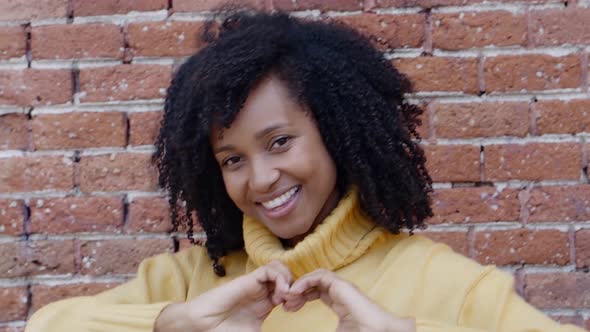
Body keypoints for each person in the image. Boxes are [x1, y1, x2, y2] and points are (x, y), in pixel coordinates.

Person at [25, 9, 585, 332]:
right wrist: (174, 324)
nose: (261, 177)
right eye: (233, 159)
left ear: (337, 133)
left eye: (280, 141)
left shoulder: (450, 286)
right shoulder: (190, 282)